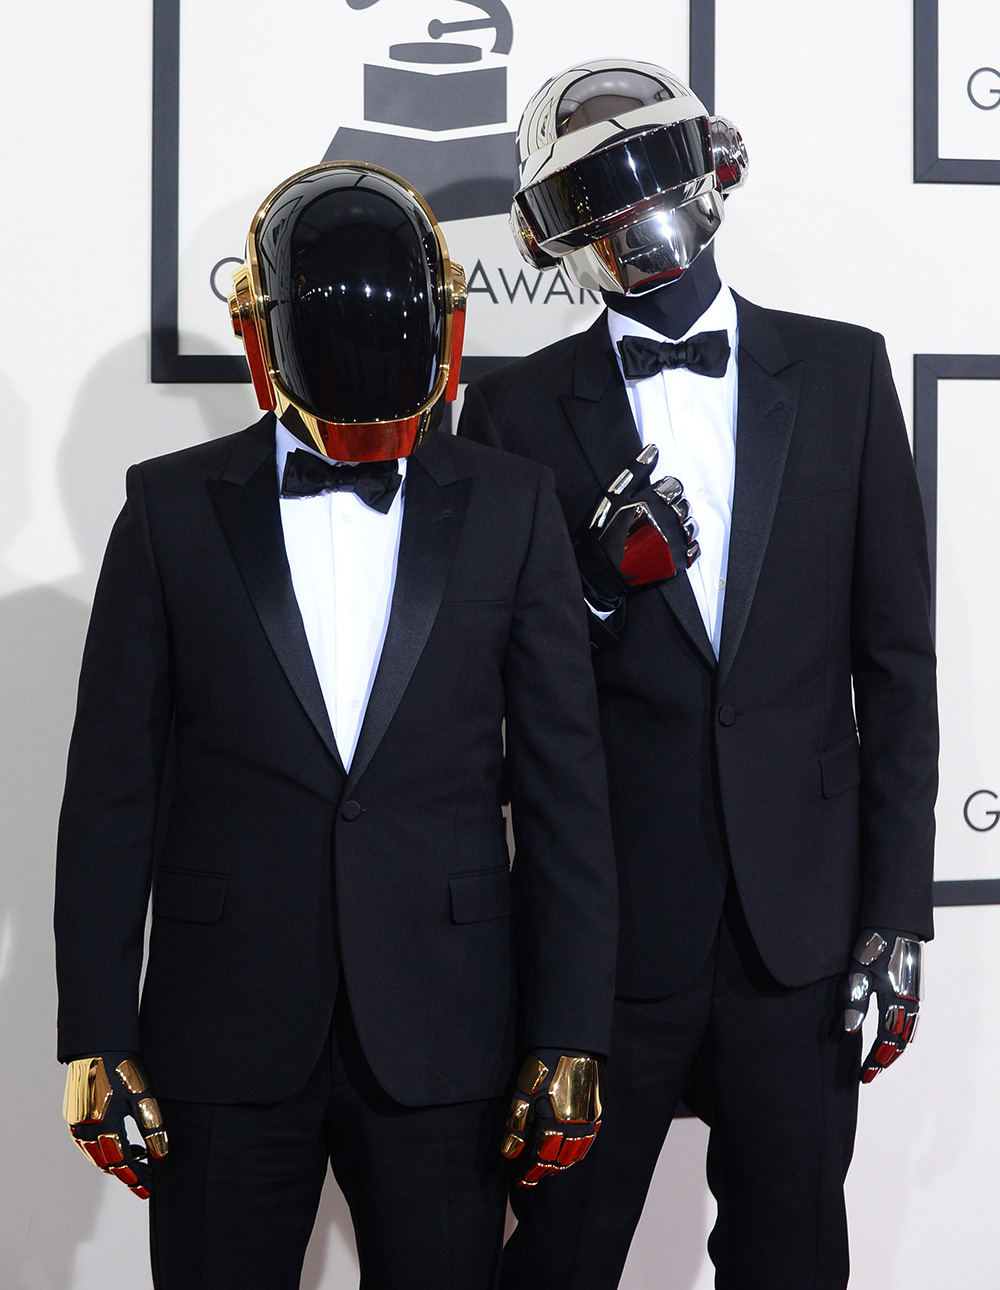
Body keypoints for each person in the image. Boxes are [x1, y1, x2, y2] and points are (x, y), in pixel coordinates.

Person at [54, 161, 616, 1290]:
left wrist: (571, 1031)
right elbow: (112, 794)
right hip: (223, 1032)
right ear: (260, 345)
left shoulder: (510, 508)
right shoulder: (167, 511)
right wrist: (93, 1036)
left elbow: (566, 792)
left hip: (448, 1032)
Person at [459, 60, 937, 1290]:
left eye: (642, 185)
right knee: (557, 1259)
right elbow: (493, 687)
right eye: (590, 206)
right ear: (553, 234)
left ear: (707, 170)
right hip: (607, 935)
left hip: (802, 934)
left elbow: (896, 671)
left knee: (793, 1262)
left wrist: (893, 914)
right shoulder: (509, 416)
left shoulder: (843, 375)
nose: (630, 225)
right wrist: (598, 590)